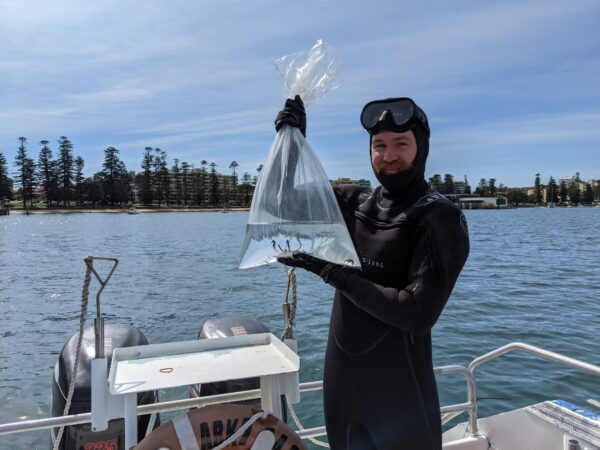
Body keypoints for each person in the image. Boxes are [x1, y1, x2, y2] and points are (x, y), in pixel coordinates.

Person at [275, 96, 470, 449]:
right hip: (341, 392)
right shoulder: (356, 202)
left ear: (422, 147)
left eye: (401, 144)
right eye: (379, 145)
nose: (389, 155)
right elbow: (284, 203)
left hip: (402, 404)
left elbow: (416, 314)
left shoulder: (439, 218)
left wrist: (336, 274)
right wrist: (292, 143)